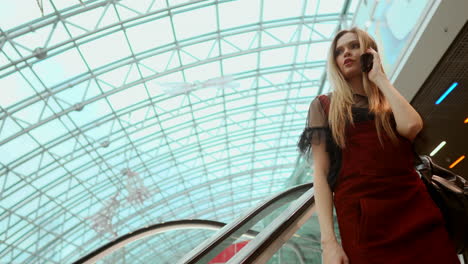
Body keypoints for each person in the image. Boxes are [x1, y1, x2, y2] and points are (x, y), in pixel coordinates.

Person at [297, 27, 460, 264]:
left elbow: (412, 126)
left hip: (415, 210)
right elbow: (320, 175)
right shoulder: (324, 106)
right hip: (363, 223)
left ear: (369, 52)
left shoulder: (388, 101)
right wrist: (329, 243)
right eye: (339, 51)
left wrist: (379, 79)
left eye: (354, 46)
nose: (346, 53)